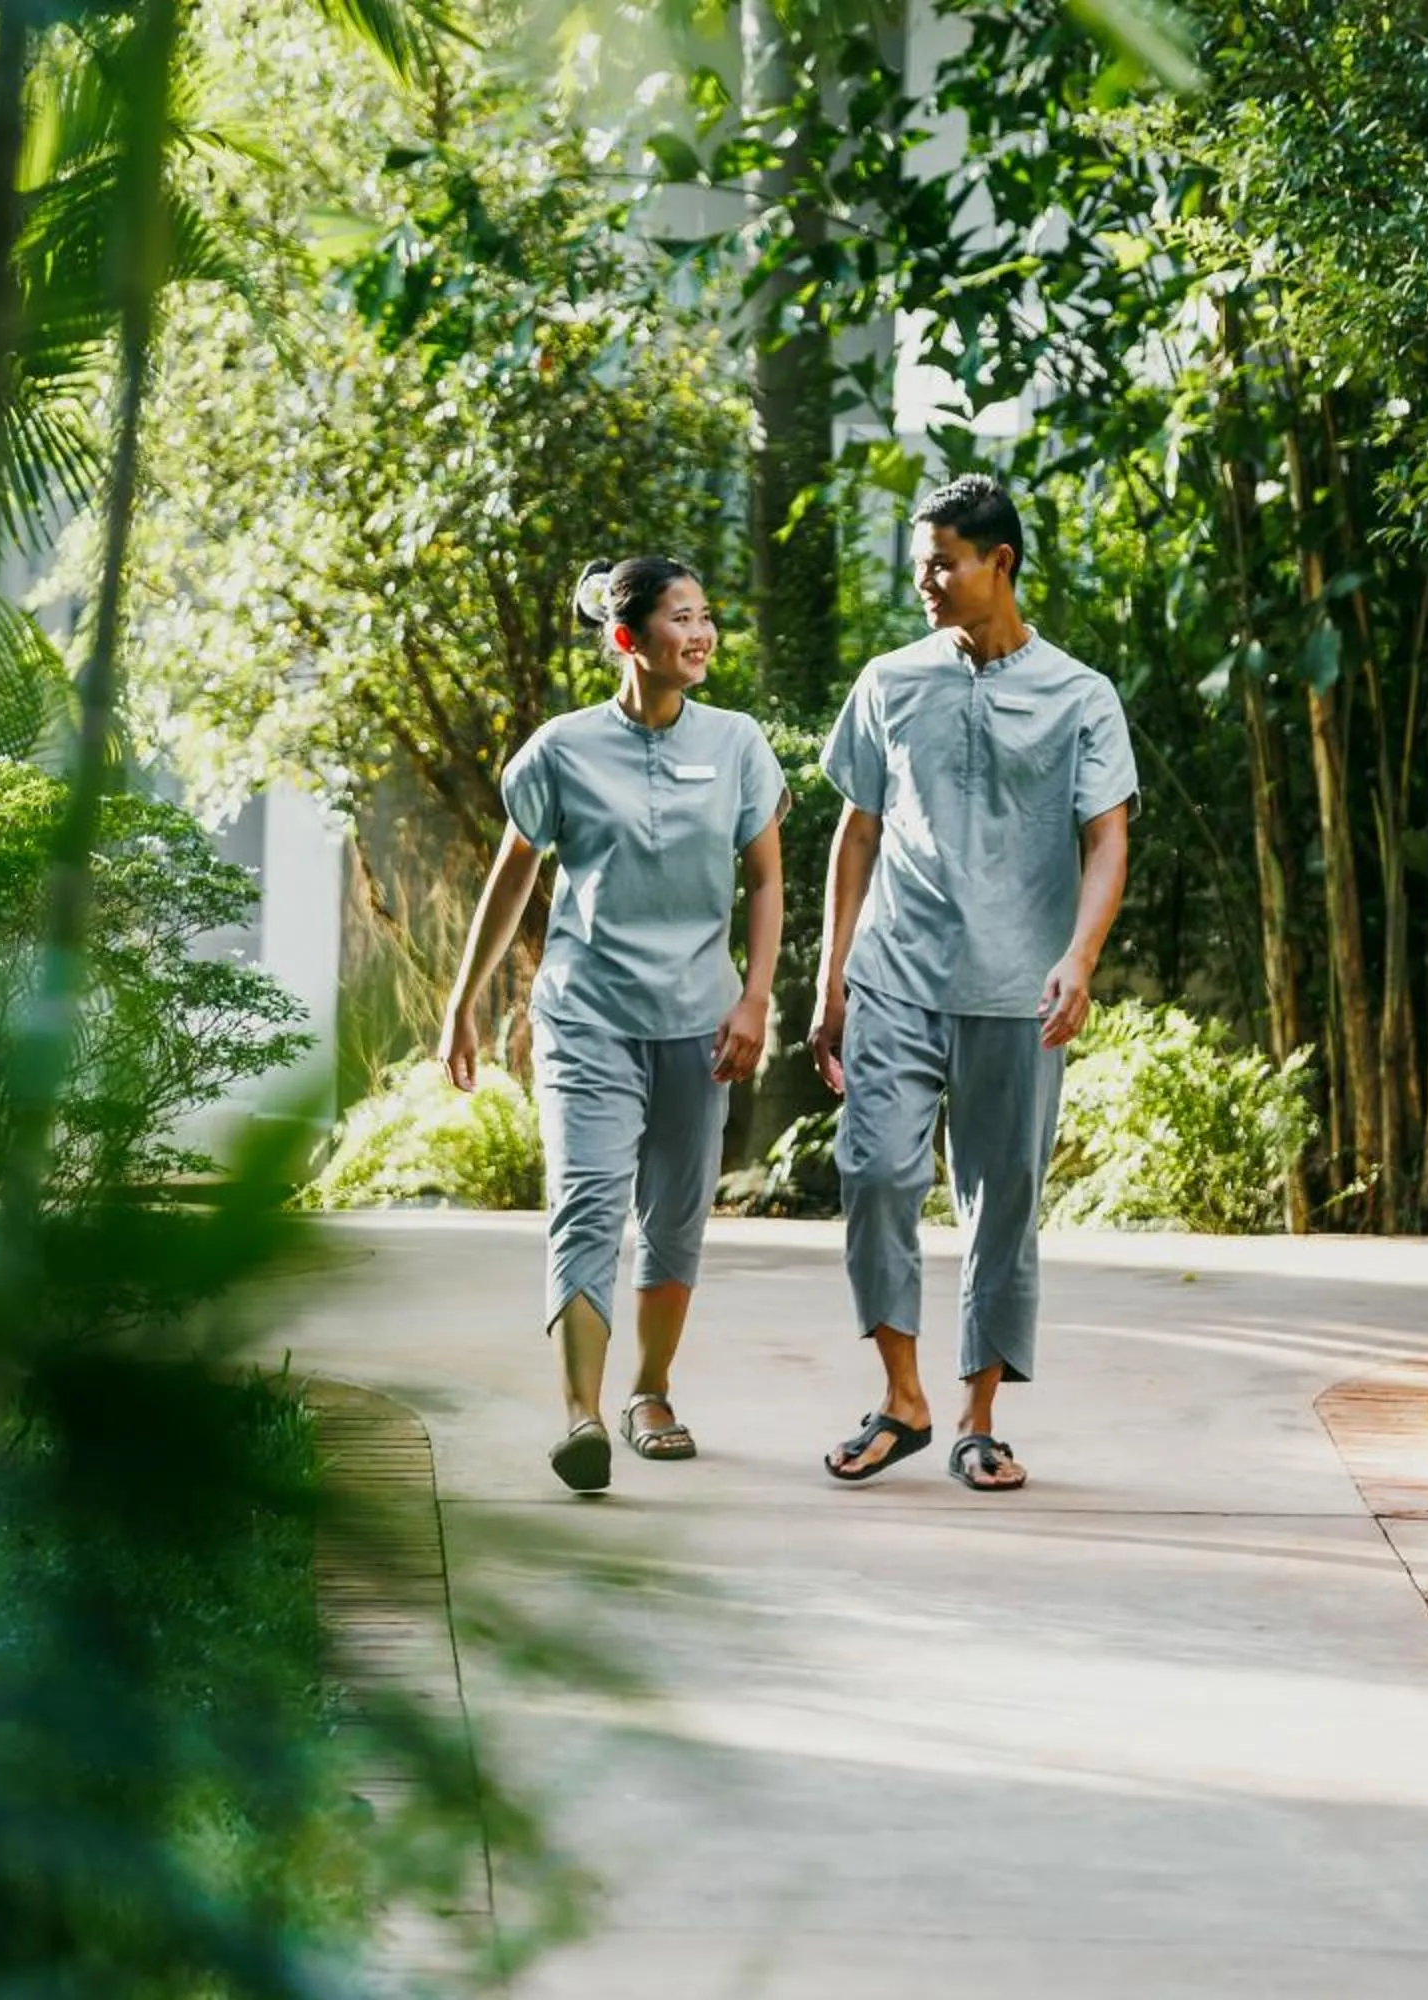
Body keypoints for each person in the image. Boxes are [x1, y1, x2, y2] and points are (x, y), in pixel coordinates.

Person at [811, 476, 1136, 1493]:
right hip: (895, 973)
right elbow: (857, 830)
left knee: (1003, 1207)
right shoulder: (889, 681)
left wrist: (1079, 957)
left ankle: (978, 1419)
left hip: (1016, 991)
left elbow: (1107, 837)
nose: (925, 580)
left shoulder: (1079, 694)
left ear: (1000, 563)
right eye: (920, 562)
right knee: (874, 1171)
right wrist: (829, 978)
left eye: (943, 563)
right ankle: (903, 1398)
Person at [441, 556, 789, 1493]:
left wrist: (755, 997)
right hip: (587, 1016)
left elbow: (764, 879)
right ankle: (581, 1416)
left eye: (706, 615)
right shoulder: (562, 749)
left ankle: (651, 1392)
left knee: (674, 1215)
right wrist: (464, 1001)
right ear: (629, 639)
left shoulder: (738, 743)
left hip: (699, 1023)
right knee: (586, 1204)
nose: (702, 633)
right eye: (682, 617)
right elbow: (514, 874)